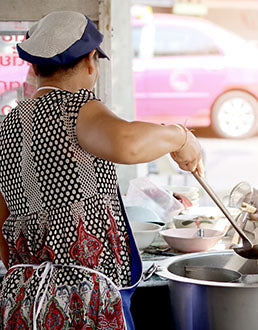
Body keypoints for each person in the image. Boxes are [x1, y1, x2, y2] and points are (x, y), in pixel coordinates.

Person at [0, 11, 203, 330]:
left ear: (35, 67)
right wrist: (181, 137)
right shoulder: (75, 107)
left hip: (25, 300)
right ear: (91, 61)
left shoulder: (9, 125)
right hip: (87, 298)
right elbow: (128, 143)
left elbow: (2, 217)